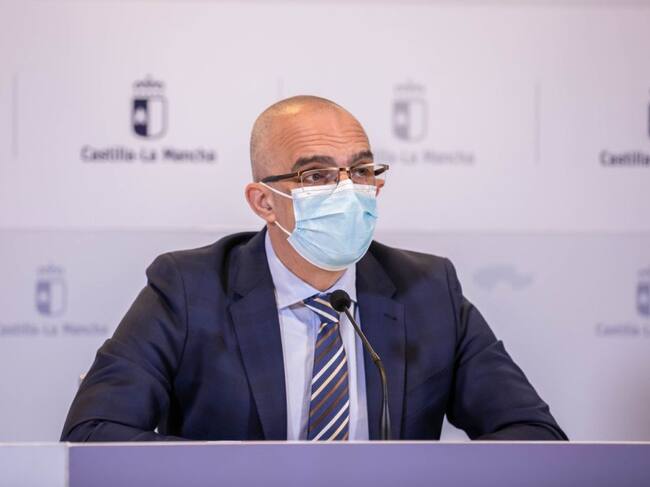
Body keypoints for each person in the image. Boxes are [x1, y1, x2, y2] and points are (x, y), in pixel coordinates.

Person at [61, 96, 567, 442]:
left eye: (361, 170)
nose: (348, 190)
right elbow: (94, 433)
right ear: (263, 202)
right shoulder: (188, 289)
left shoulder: (429, 291)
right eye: (316, 175)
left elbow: (533, 435)